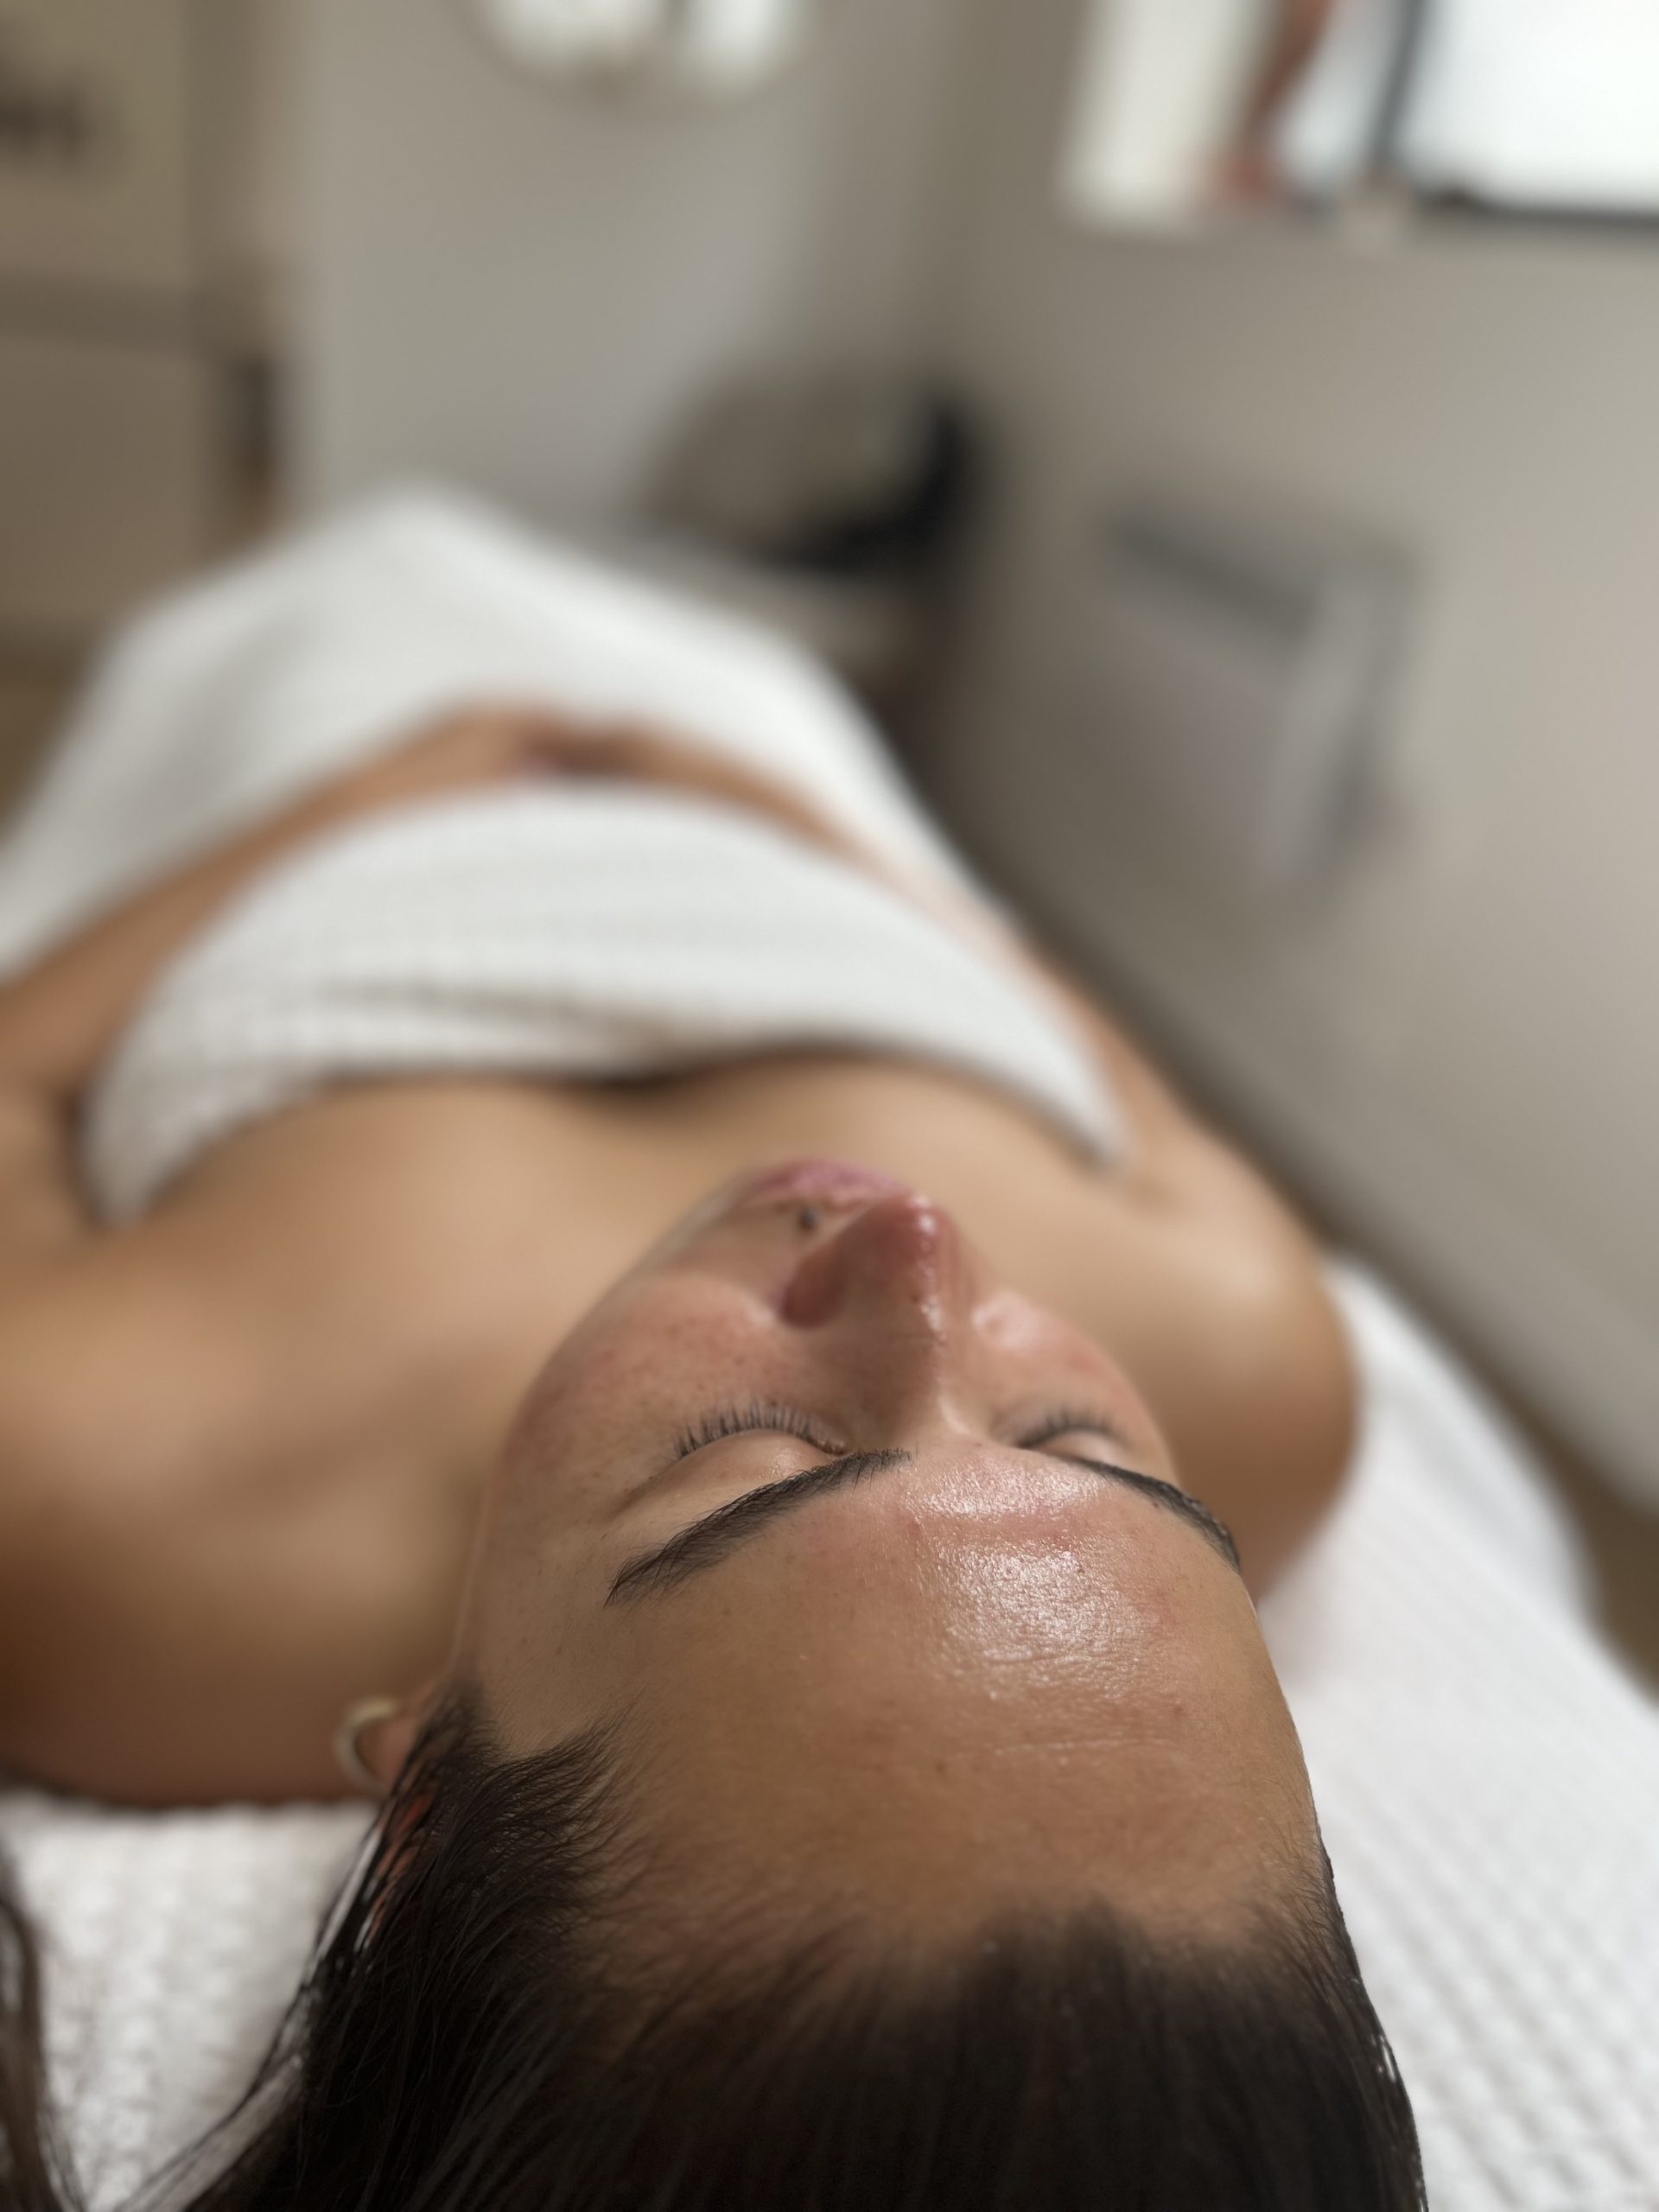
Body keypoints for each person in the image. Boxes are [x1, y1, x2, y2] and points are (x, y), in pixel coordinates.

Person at [0, 499, 1425, 2209]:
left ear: (430, 1795)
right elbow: (1125, 1079)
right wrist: (822, 834)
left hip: (333, 768)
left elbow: (19, 1074)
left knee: (378, 537)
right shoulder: (1260, 1376)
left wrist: (357, 795)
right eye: (1071, 1437)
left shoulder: (105, 1520)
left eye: (749, 1456)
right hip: (772, 786)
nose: (917, 1246)